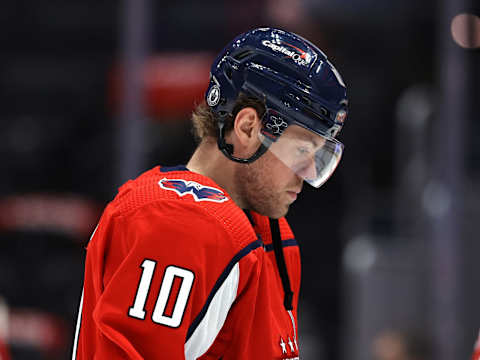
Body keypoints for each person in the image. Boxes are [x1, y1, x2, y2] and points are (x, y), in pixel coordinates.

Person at [72, 27, 348, 359]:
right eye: (302, 151)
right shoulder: (176, 224)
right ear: (247, 128)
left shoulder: (268, 230)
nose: (308, 174)